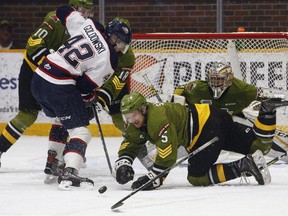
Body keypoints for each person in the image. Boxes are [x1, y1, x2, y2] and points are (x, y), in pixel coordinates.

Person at [31, 5, 135, 189]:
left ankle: (52, 160)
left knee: (62, 117)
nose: (120, 48)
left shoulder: (90, 25)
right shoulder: (110, 59)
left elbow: (62, 11)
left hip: (39, 78)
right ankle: (70, 173)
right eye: (120, 43)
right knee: (82, 131)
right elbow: (84, 87)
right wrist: (89, 100)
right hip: (58, 85)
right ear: (112, 37)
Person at [114, 91, 288, 189]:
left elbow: (167, 155)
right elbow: (132, 141)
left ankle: (242, 166)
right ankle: (267, 112)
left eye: (134, 115)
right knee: (259, 148)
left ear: (143, 109)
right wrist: (123, 163)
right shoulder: (138, 121)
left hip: (205, 129)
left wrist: (153, 179)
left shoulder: (157, 119)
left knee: (197, 177)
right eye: (128, 117)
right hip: (216, 117)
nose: (131, 120)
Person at [0, 0, 94, 168]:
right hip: (34, 70)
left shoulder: (86, 28)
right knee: (27, 116)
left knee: (65, 114)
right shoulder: (55, 19)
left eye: (89, 12)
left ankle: (63, 154)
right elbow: (33, 43)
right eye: (83, 10)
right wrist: (47, 66)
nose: (86, 15)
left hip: (57, 76)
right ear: (73, 8)